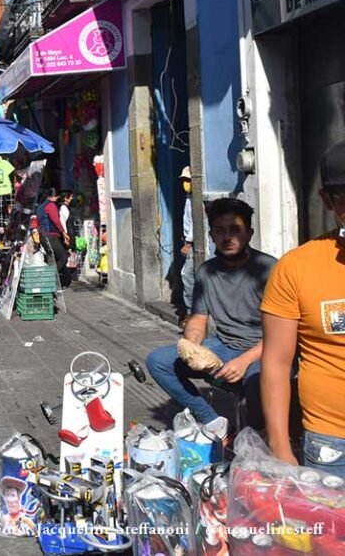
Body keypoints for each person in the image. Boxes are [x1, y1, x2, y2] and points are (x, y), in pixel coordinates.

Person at [146, 198, 276, 441]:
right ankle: (214, 422)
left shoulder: (270, 270)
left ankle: (258, 440)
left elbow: (281, 334)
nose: (228, 237)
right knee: (159, 361)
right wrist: (192, 346)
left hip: (266, 350)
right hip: (225, 346)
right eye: (220, 230)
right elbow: (198, 319)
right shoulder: (206, 271)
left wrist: (245, 361)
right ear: (211, 235)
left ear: (249, 233)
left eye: (235, 230)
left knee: (258, 381)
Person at [262, 141, 345, 474]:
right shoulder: (296, 268)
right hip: (332, 445)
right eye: (344, 199)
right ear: (327, 201)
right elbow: (276, 363)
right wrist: (280, 446)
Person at [36, 188, 69, 285]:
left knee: (52, 259)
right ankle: (48, 277)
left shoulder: (40, 207)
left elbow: (38, 222)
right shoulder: (51, 206)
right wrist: (64, 233)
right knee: (63, 258)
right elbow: (56, 221)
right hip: (51, 236)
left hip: (43, 236)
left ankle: (52, 280)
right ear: (54, 196)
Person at [180, 166, 195, 319]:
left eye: (188, 180)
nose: (185, 183)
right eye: (184, 180)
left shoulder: (194, 199)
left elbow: (196, 221)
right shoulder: (189, 198)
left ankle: (191, 312)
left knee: (187, 274)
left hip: (192, 243)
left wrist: (189, 242)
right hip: (188, 240)